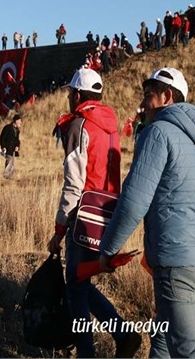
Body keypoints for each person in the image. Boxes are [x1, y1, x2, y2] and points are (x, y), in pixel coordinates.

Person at [100, 68, 195, 358]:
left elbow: (133, 200)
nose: (142, 104)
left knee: (188, 350)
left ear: (167, 96)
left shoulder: (157, 132)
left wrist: (108, 249)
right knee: (163, 338)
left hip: (176, 260)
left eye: (148, 96)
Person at [47, 68, 141, 358]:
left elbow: (74, 184)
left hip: (83, 216)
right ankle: (124, 336)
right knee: (80, 282)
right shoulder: (110, 124)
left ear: (76, 95)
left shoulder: (80, 125)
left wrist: (59, 229)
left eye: (69, 93)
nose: (67, 97)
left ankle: (89, 352)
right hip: (108, 214)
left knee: (76, 287)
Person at [0, 114, 21, 179]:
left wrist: (17, 146)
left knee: (11, 163)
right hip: (7, 148)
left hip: (13, 149)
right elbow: (2, 138)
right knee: (10, 161)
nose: (20, 122)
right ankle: (6, 175)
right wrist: (3, 146)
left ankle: (9, 176)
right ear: (16, 121)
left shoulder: (17, 130)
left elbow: (17, 140)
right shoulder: (7, 128)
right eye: (19, 121)